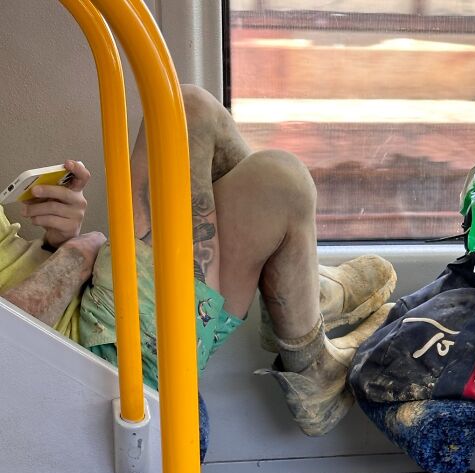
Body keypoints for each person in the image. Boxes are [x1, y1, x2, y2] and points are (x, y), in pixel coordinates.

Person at [0, 84, 396, 436]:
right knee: (281, 183)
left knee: (185, 106)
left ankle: (308, 310)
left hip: (72, 306)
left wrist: (56, 241)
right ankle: (312, 346)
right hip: (93, 356)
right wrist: (75, 255)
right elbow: (8, 344)